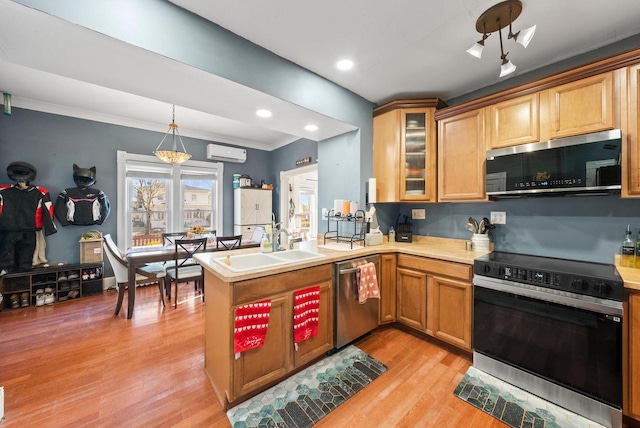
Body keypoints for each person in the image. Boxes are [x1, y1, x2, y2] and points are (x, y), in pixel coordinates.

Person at [0, 161, 56, 273]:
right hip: (8, 229)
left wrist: (49, 228)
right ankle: (7, 285)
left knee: (26, 261)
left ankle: (23, 285)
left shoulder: (40, 192)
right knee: (6, 259)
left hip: (30, 230)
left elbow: (48, 210)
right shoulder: (3, 191)